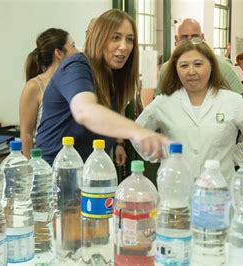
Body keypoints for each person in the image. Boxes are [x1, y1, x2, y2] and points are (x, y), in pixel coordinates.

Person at [35, 9, 168, 165]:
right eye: (115, 38)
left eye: (130, 39)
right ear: (98, 38)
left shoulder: (113, 76)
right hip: (55, 173)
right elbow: (84, 110)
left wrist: (119, 142)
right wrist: (137, 131)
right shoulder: (76, 66)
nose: (124, 47)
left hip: (90, 171)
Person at [134, 39, 243, 181]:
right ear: (176, 68)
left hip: (219, 192)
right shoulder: (164, 102)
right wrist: (162, 154)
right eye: (184, 65)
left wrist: (233, 156)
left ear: (211, 65)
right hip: (176, 190)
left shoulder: (232, 101)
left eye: (198, 64)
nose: (191, 71)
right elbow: (136, 133)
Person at [19, 28, 78, 158]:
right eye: (73, 46)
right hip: (45, 161)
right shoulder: (34, 87)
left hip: (72, 160)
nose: (77, 51)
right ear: (59, 53)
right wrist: (33, 167)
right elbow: (26, 134)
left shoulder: (74, 83)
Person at [156, 18, 243, 95]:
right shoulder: (167, 69)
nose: (190, 42)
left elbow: (240, 102)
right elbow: (159, 105)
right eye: (184, 38)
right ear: (176, 39)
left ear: (202, 37)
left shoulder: (222, 66)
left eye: (195, 37)